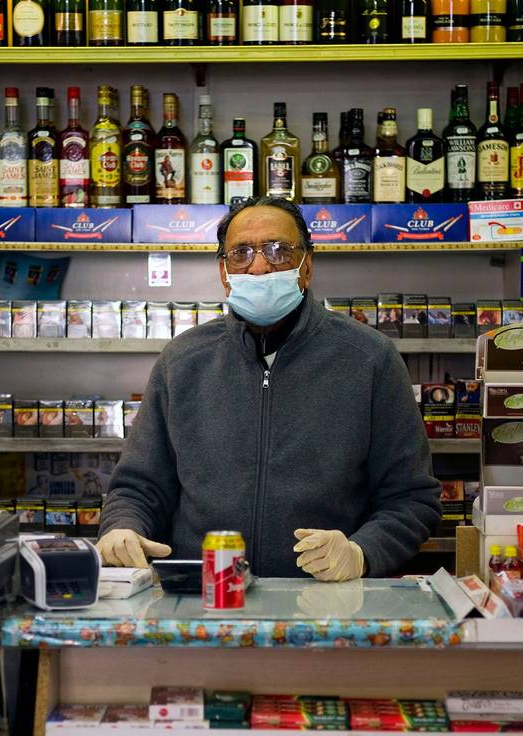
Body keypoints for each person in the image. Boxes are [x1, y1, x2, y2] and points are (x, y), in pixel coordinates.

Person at [96, 196, 441, 582]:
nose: (259, 266)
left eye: (278, 251)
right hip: (203, 596)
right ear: (224, 273)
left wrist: (362, 552)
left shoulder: (370, 358)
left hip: (327, 599)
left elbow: (412, 498)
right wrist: (123, 527)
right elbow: (138, 487)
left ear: (306, 266)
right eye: (241, 253)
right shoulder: (182, 361)